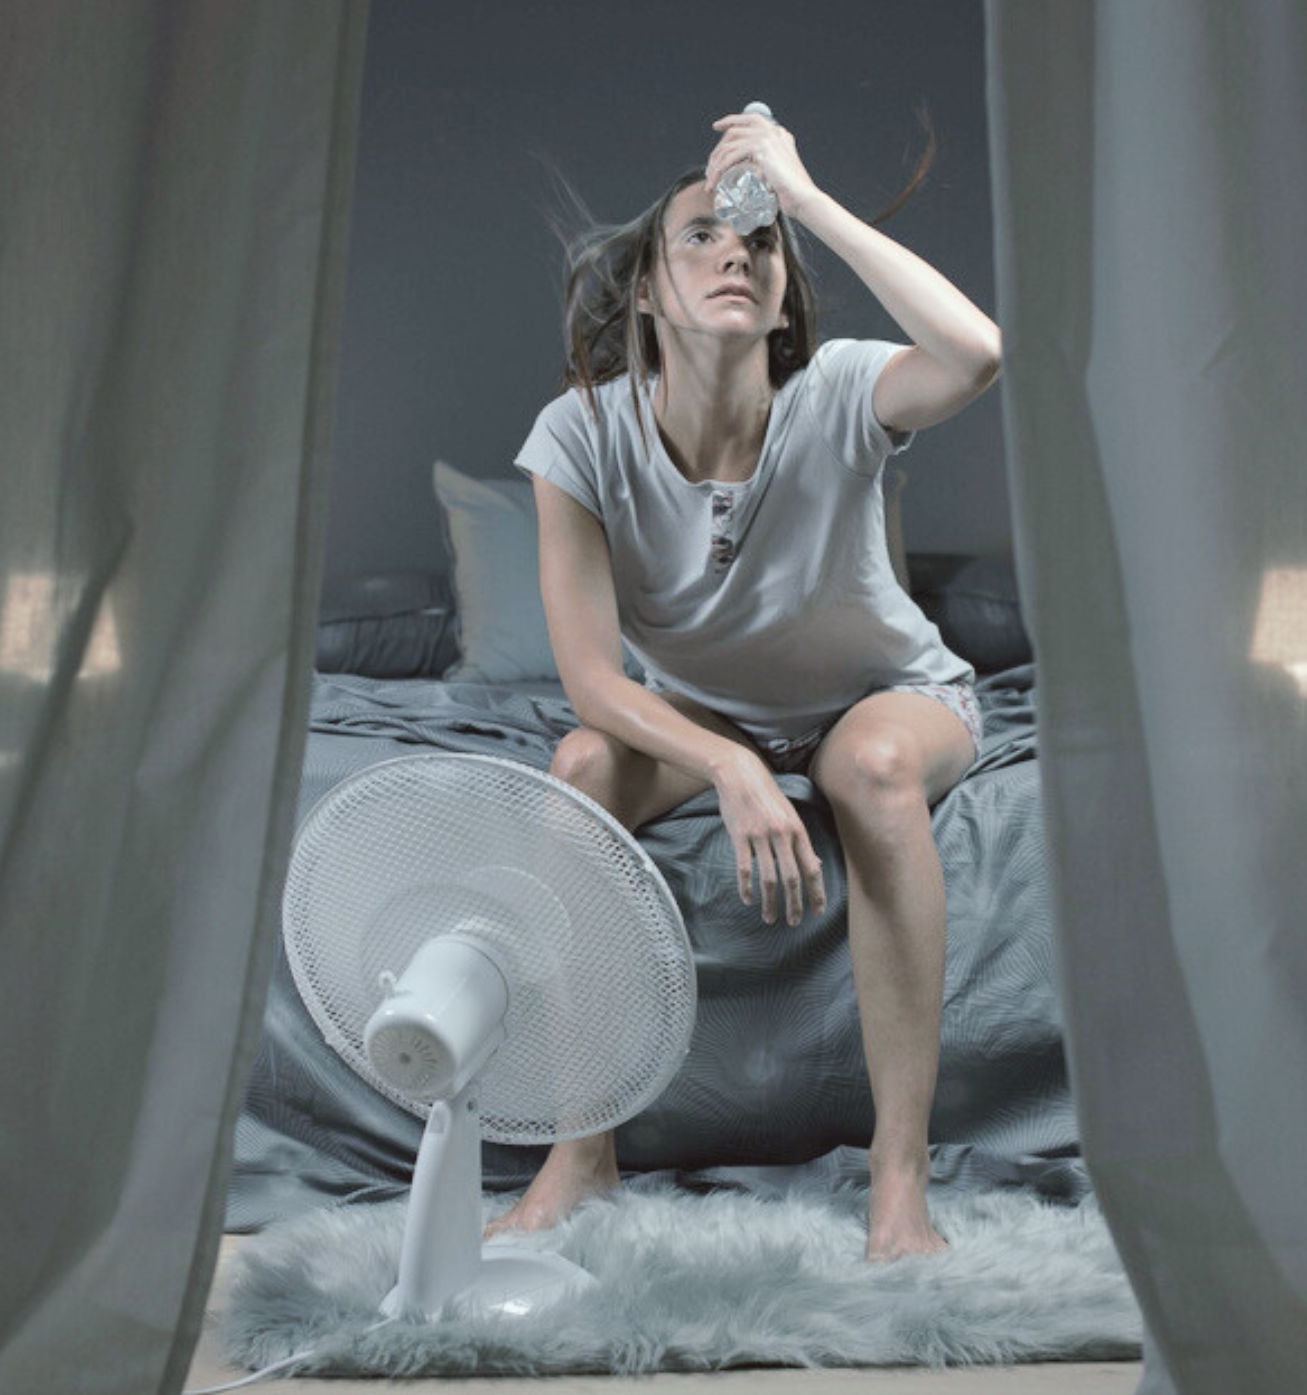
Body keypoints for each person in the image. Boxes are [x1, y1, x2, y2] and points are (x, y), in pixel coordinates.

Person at [491, 111, 1004, 1262]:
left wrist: (804, 197)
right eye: (700, 238)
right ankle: (580, 1155)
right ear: (643, 294)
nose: (736, 251)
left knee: (869, 770)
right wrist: (726, 762)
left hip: (882, 695)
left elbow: (974, 353)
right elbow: (586, 680)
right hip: (712, 717)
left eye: (759, 245)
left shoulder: (836, 391)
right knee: (575, 773)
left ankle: (898, 1178)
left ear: (781, 299)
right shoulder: (578, 434)